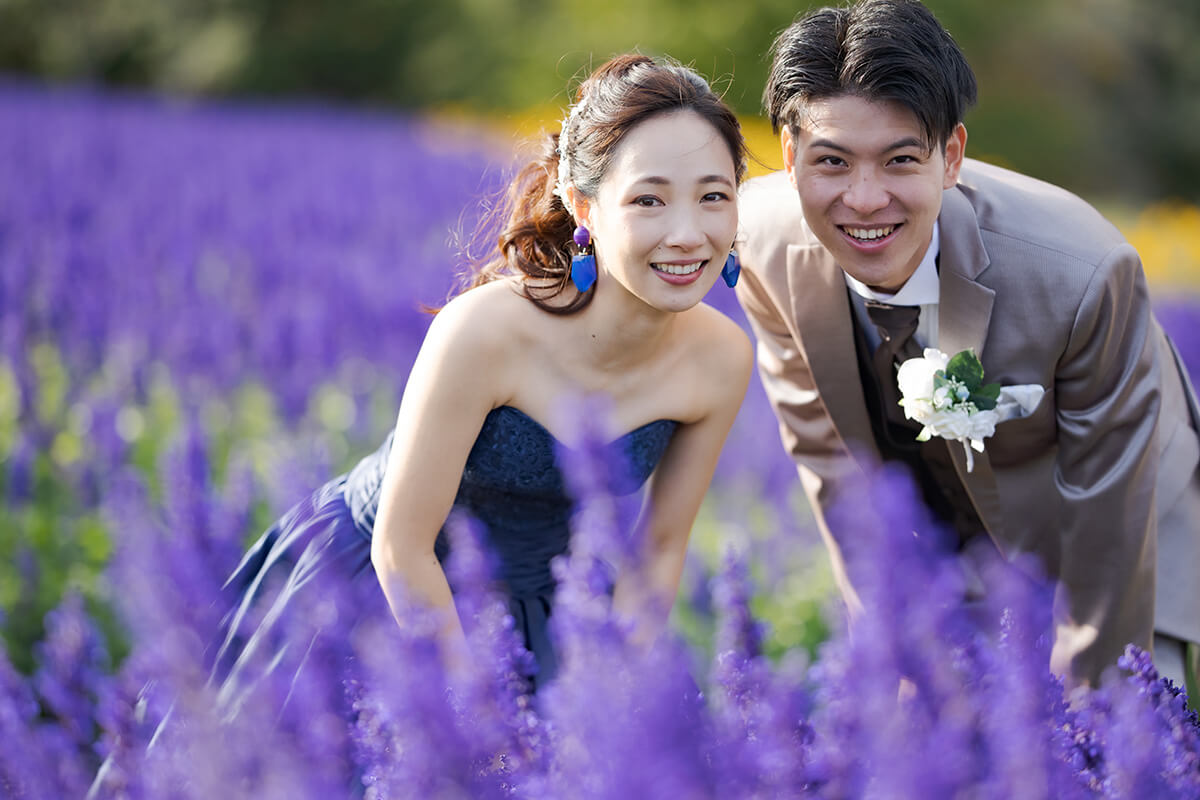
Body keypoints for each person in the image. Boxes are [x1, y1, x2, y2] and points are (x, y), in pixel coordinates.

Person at [212, 53, 753, 705]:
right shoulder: (487, 332)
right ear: (584, 206)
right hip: (381, 592)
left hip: (546, 616)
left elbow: (659, 552)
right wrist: (476, 715)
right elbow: (402, 544)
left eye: (713, 196)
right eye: (649, 199)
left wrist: (616, 693)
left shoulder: (719, 358)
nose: (688, 233)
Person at [734, 0, 1200, 688]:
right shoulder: (760, 241)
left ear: (951, 156)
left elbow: (1110, 517)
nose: (863, 200)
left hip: (1117, 537)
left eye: (899, 161)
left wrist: (1090, 720)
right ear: (789, 155)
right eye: (831, 161)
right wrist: (897, 651)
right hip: (945, 552)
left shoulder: (1080, 273)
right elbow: (832, 463)